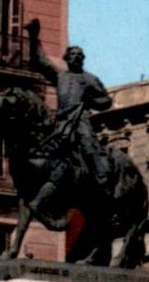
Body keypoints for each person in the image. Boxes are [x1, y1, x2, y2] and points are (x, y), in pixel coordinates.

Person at [27, 19, 114, 190]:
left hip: (80, 120)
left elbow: (107, 101)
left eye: (78, 55)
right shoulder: (61, 77)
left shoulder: (89, 79)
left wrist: (91, 101)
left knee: (88, 145)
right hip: (61, 121)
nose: (75, 57)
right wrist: (33, 37)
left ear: (82, 60)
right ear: (66, 58)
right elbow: (40, 61)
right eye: (72, 55)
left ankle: (102, 176)